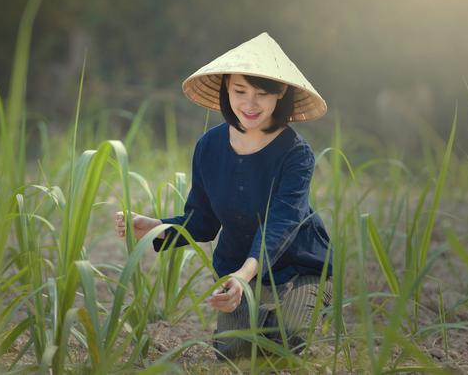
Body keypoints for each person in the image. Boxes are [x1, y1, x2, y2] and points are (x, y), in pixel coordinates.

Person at [114, 32, 332, 360]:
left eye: (261, 93)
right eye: (239, 91)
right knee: (235, 350)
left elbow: (282, 222)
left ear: (281, 93)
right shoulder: (209, 146)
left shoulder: (296, 153)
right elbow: (202, 221)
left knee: (287, 341)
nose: (249, 104)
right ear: (226, 88)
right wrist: (155, 226)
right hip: (237, 267)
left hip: (299, 265)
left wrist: (245, 275)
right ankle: (258, 315)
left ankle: (300, 305)